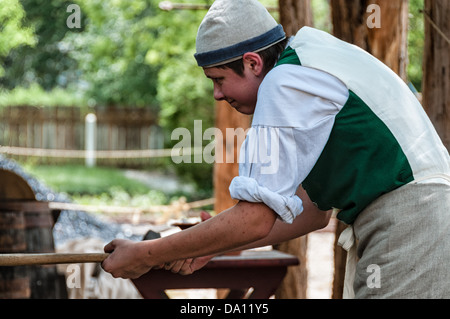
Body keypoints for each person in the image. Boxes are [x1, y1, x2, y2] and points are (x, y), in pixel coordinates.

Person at [102, 0, 450, 298]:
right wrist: (207, 244)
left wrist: (145, 254)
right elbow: (312, 211)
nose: (217, 95)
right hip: (423, 218)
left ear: (253, 63)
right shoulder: (312, 62)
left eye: (219, 79)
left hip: (411, 223)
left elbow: (254, 219)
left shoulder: (284, 81)